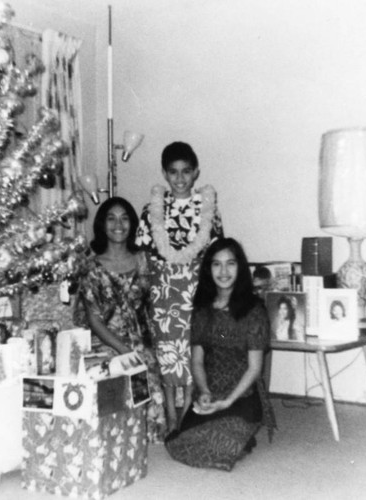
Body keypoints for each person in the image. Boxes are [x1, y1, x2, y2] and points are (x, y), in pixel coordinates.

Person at [136, 141, 224, 433]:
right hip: (164, 289)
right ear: (164, 173)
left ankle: (186, 413)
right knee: (167, 351)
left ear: (196, 171)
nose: (180, 178)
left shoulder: (207, 209)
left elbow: (214, 253)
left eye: (186, 171)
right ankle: (171, 416)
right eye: (173, 172)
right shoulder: (151, 210)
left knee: (190, 351)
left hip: (195, 288)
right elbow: (145, 254)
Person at [165, 238, 274, 471]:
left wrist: (227, 401)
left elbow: (255, 368)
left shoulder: (254, 310)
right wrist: (204, 391)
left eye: (230, 264)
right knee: (181, 440)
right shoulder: (203, 309)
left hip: (241, 395)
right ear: (209, 269)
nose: (223, 271)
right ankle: (239, 439)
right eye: (216, 264)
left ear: (240, 267)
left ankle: (240, 436)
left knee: (219, 441)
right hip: (211, 393)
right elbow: (197, 360)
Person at [74, 196, 166, 443]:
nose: (118, 224)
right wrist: (125, 351)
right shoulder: (90, 267)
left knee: (150, 385)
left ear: (132, 224)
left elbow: (155, 304)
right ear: (102, 224)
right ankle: (114, 436)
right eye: (111, 218)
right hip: (106, 342)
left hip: (141, 339)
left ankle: (141, 435)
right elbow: (94, 321)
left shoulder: (144, 260)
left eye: (125, 218)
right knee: (117, 377)